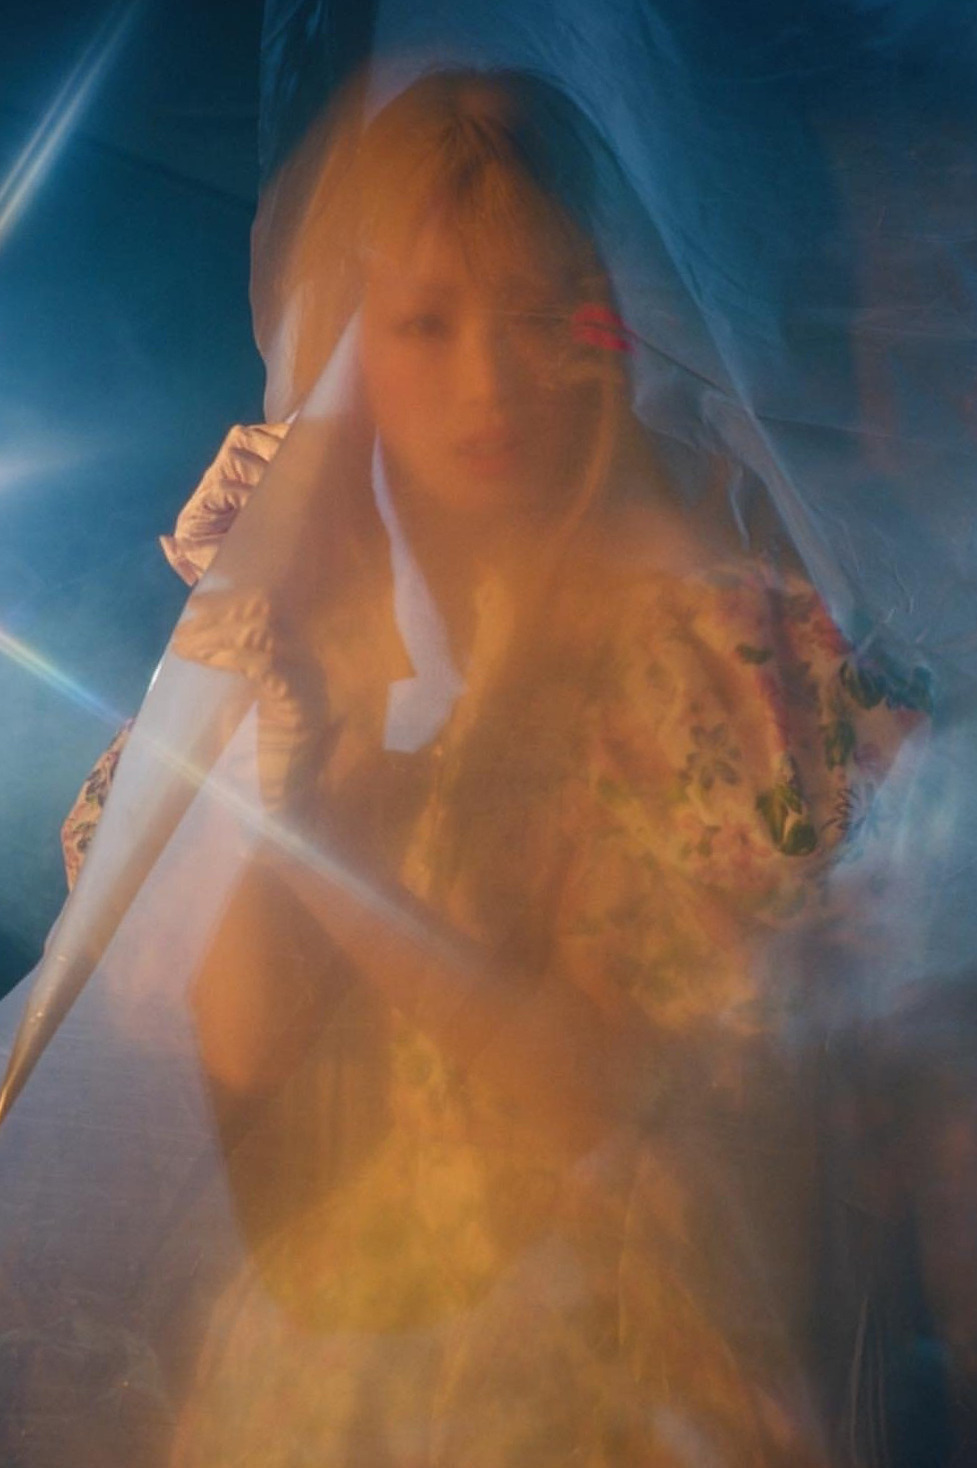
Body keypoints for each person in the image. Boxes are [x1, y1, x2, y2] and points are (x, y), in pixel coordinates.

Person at [0, 68, 927, 1468]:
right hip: (322, 1382)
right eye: (425, 324)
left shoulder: (707, 646)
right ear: (352, 350)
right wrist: (292, 732)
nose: (488, 383)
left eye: (537, 313)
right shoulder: (325, 645)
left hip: (600, 1384)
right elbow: (237, 1084)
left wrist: (332, 839)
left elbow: (593, 1104)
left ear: (606, 325)